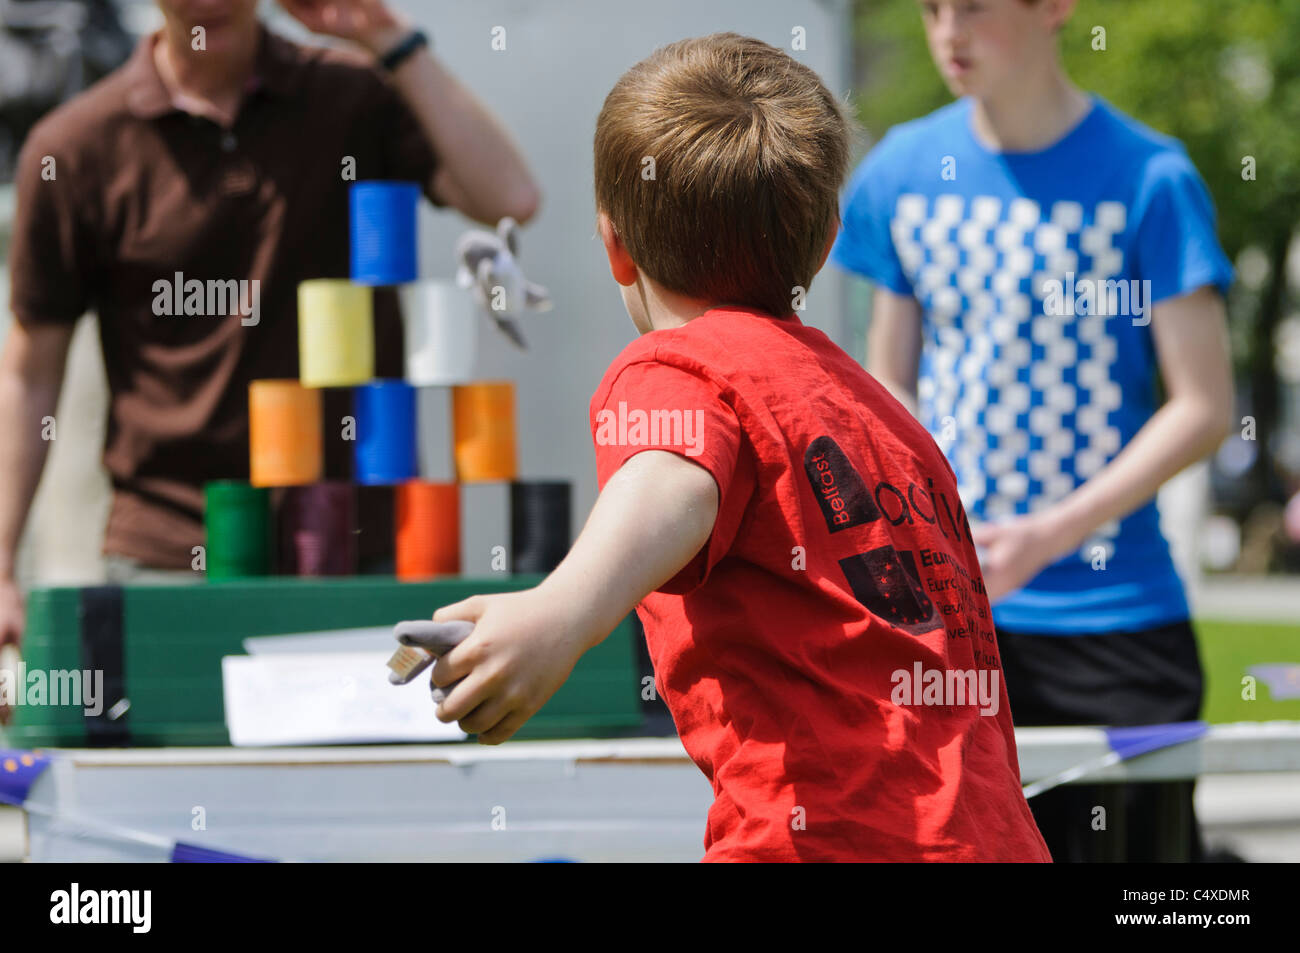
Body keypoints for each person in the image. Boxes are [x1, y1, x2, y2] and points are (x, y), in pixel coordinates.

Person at [415, 32, 1050, 862]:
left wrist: (557, 614)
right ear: (825, 245)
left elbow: (676, 478)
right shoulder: (892, 424)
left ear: (615, 246)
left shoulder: (680, 366)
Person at [0, 0, 538, 674]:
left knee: (360, 779)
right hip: (170, 555)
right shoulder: (75, 148)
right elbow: (29, 371)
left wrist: (387, 38)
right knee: (171, 771)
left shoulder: (351, 95)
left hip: (354, 546)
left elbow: (510, 197)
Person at [831, 0, 1234, 861]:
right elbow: (888, 383)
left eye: (973, 6)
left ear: (1057, 7)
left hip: (1116, 620)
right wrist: (931, 535)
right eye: (934, 8)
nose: (949, 32)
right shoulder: (901, 170)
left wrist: (1046, 538)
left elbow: (1203, 405)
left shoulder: (1152, 177)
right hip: (952, 623)